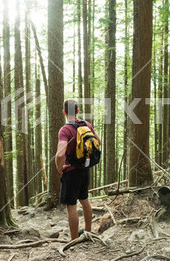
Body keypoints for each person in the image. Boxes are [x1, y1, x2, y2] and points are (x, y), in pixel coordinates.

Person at [55, 99, 101, 240]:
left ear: (64, 112)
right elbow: (99, 141)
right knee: (85, 200)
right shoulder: (87, 125)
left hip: (71, 172)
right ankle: (88, 232)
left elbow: (60, 154)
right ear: (77, 111)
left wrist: (59, 168)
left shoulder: (65, 130)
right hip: (85, 169)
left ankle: (74, 239)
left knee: (71, 205)